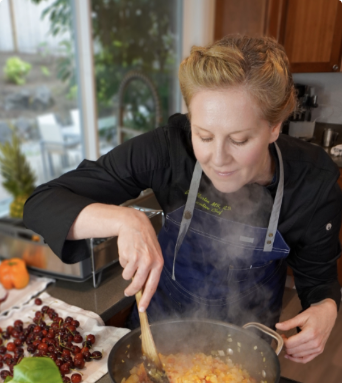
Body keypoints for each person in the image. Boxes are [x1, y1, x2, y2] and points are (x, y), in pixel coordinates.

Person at [24, 35, 342, 364]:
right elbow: (42, 203)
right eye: (203, 135)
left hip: (246, 356)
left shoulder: (311, 184)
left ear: (275, 127)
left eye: (239, 139)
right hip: (156, 344)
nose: (218, 158)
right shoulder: (168, 150)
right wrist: (126, 220)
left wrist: (325, 310)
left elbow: (320, 281)